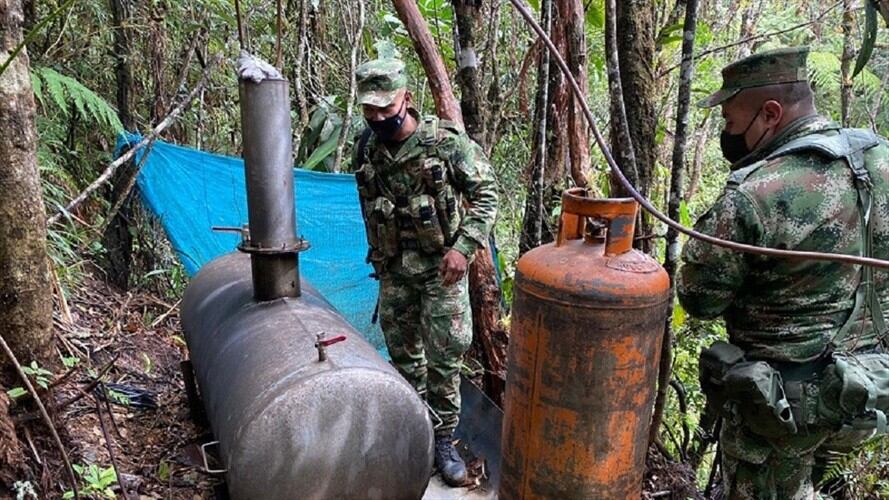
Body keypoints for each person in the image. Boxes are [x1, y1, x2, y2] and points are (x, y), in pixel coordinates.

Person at [678, 46, 889, 499]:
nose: (726, 134)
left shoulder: (757, 192)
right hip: (868, 392)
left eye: (731, 122)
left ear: (770, 113)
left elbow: (699, 298)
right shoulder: (882, 162)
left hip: (781, 410)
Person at [352, 58, 498, 487]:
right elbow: (368, 206)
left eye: (386, 106)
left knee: (445, 361)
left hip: (442, 273)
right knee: (404, 361)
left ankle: (443, 440)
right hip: (396, 272)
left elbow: (487, 195)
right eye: (370, 108)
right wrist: (378, 255)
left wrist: (463, 249)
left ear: (407, 98)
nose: (379, 116)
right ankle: (412, 432)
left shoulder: (446, 143)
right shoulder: (366, 148)